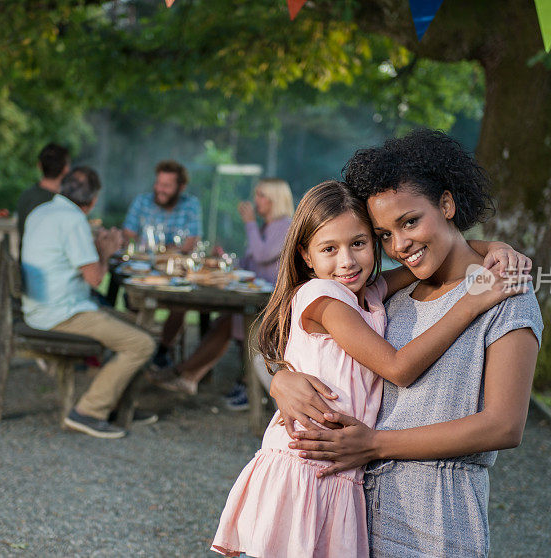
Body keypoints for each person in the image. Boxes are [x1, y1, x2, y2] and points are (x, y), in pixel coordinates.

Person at [211, 180, 531, 558]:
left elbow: (437, 257)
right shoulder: (324, 298)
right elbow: (397, 368)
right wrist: (472, 303)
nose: (346, 261)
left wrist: (494, 248)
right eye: (329, 249)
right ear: (306, 256)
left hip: (343, 472)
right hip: (309, 466)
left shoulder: (368, 293)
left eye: (359, 243)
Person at [22, 167, 157, 439]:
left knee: (137, 325)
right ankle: (88, 412)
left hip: (39, 305)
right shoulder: (73, 220)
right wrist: (106, 251)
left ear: (62, 186)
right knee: (143, 343)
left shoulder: (42, 211)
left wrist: (94, 248)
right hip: (59, 313)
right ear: (93, 200)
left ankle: (117, 401)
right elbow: (95, 278)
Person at [159, 178, 293, 403]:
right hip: (258, 299)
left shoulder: (285, 226)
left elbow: (261, 255)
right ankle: (189, 375)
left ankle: (186, 373)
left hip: (273, 305)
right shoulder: (267, 226)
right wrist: (225, 260)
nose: (255, 200)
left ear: (274, 199)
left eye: (260, 195)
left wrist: (249, 223)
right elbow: (252, 264)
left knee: (230, 322)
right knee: (225, 320)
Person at [122, 159, 202, 369]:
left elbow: (191, 242)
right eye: (158, 184)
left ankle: (162, 350)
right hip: (143, 268)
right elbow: (128, 235)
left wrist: (156, 247)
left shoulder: (190, 204)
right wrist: (167, 248)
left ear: (180, 187)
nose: (160, 189)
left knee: (183, 301)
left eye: (167, 185)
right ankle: (133, 350)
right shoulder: (142, 201)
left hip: (176, 271)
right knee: (135, 297)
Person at [16, 143, 70, 253]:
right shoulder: (64, 203)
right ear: (66, 169)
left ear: (39, 165)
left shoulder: (25, 196)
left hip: (26, 263)